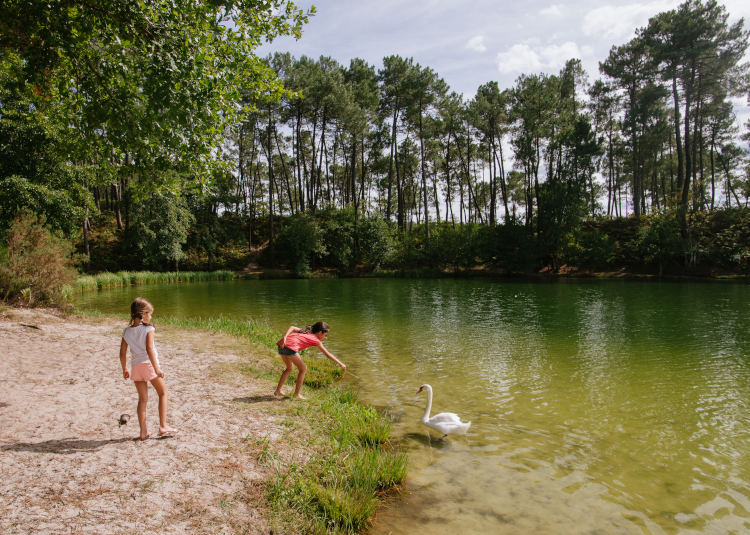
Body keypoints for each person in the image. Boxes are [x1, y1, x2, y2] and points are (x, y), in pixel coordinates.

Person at [119, 297, 176, 440]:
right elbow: (149, 349)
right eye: (149, 313)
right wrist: (157, 369)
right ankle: (163, 425)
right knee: (163, 393)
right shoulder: (149, 329)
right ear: (143, 314)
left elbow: (122, 352)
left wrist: (124, 368)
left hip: (136, 367)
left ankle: (143, 432)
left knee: (142, 399)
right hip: (149, 365)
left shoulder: (126, 332)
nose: (150, 316)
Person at [274, 321, 346, 399]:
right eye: (325, 335)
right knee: (303, 369)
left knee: (289, 368)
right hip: (290, 348)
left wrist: (285, 336)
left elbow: (292, 327)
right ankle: (296, 394)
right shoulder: (316, 340)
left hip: (281, 346)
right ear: (320, 332)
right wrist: (341, 364)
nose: (326, 337)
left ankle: (278, 391)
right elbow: (327, 354)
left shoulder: (305, 332)